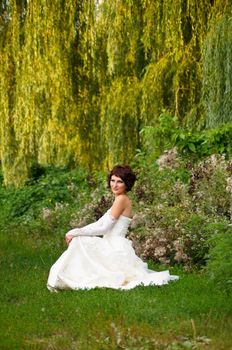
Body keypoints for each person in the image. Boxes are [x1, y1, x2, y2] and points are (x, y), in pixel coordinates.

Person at [47, 165, 178, 291]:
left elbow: (104, 228)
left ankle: (67, 278)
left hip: (115, 246)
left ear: (127, 184)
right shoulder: (119, 199)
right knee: (79, 239)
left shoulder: (122, 199)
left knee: (80, 241)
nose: (114, 185)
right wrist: (76, 231)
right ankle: (69, 276)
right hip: (110, 242)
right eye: (112, 180)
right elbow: (99, 223)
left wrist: (76, 233)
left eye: (119, 182)